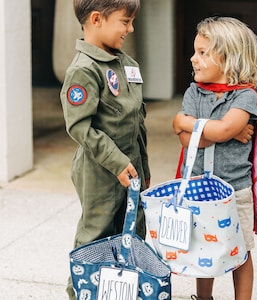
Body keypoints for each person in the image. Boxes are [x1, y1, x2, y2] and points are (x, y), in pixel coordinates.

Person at [173, 16, 257, 300]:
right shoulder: (194, 91)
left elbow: (220, 129)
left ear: (230, 59)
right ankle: (203, 298)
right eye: (195, 51)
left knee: (239, 251)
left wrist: (183, 121)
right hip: (196, 185)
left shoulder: (245, 96)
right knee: (201, 249)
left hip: (233, 190)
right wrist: (222, 132)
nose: (193, 59)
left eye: (203, 53)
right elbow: (188, 139)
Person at [60, 0, 150, 299]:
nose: (130, 28)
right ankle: (81, 293)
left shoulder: (128, 66)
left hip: (131, 170)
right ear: (97, 19)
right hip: (99, 174)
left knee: (133, 234)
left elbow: (137, 123)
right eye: (125, 21)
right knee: (95, 238)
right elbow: (80, 127)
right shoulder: (84, 70)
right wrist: (116, 162)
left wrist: (143, 170)